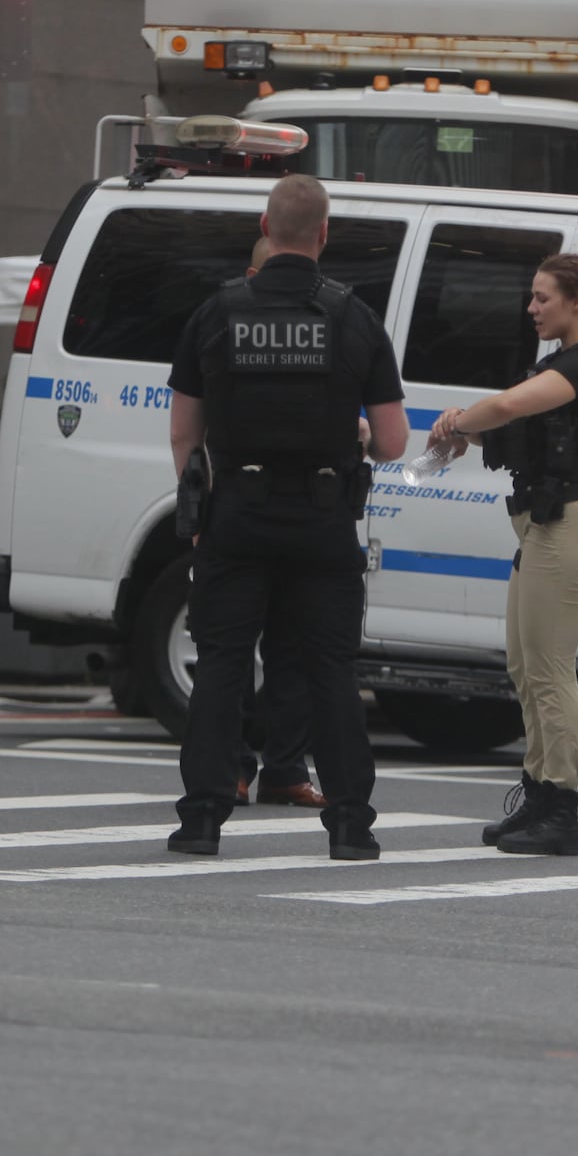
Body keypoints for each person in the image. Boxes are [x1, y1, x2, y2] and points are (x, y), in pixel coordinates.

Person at [165, 174, 407, 859]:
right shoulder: (353, 317)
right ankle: (352, 825)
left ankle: (203, 818)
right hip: (323, 521)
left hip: (236, 515)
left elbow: (184, 430)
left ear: (267, 227)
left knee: (222, 664)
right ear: (324, 233)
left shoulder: (217, 311)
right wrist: (352, 435)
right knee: (330, 670)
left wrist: (203, 500)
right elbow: (391, 441)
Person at [426, 253, 578, 857]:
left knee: (550, 670)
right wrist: (468, 434)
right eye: (532, 296)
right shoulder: (566, 366)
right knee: (525, 666)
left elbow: (513, 404)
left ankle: (560, 810)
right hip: (546, 526)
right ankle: (538, 794)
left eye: (543, 297)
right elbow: (521, 422)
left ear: (577, 301)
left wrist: (459, 422)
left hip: (570, 526)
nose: (532, 308)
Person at [229, 236, 327, 812]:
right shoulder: (227, 320)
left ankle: (283, 768)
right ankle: (237, 769)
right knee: (234, 651)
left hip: (302, 510)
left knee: (292, 649)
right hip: (246, 507)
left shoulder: (329, 321)